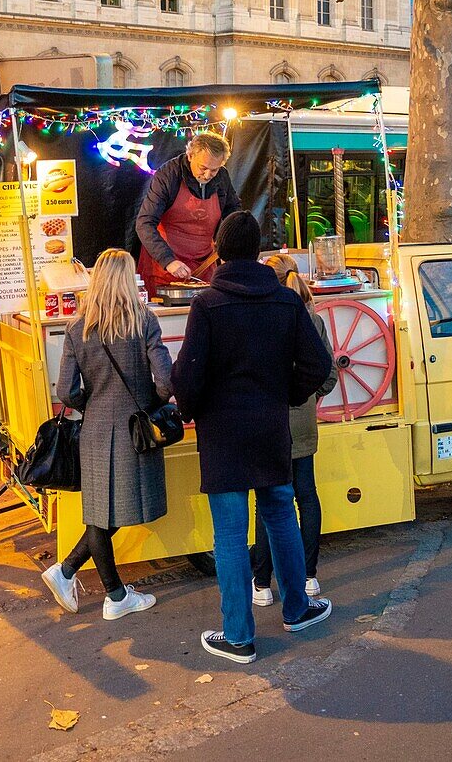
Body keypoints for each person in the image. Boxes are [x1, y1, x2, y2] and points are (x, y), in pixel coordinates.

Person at [172, 211, 334, 664]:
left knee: (229, 533)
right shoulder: (284, 301)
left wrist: (191, 410)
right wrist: (286, 394)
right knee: (281, 514)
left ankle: (239, 636)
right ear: (259, 252)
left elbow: (188, 375)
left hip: (223, 433)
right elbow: (319, 366)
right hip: (270, 426)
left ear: (220, 252)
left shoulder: (207, 304)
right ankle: (298, 610)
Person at [40, 248, 172, 620]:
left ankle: (65, 572)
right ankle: (114, 596)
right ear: (126, 280)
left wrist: (92, 401)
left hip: (96, 428)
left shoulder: (77, 327)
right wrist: (150, 401)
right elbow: (165, 382)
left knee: (102, 512)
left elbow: (65, 391)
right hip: (135, 428)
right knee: (105, 516)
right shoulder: (144, 321)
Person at [252, 253, 337, 605]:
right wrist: (306, 400)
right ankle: (309, 576)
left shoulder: (260, 318)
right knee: (306, 495)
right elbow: (328, 374)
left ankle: (261, 584)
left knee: (267, 503)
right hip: (302, 424)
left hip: (267, 424)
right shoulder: (312, 320)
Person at [136, 131, 240, 298]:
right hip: (165, 266)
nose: (208, 175)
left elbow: (233, 214)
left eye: (214, 170)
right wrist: (168, 260)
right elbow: (144, 223)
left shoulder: (222, 177)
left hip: (205, 264)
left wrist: (231, 250)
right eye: (203, 168)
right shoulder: (168, 175)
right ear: (190, 155)